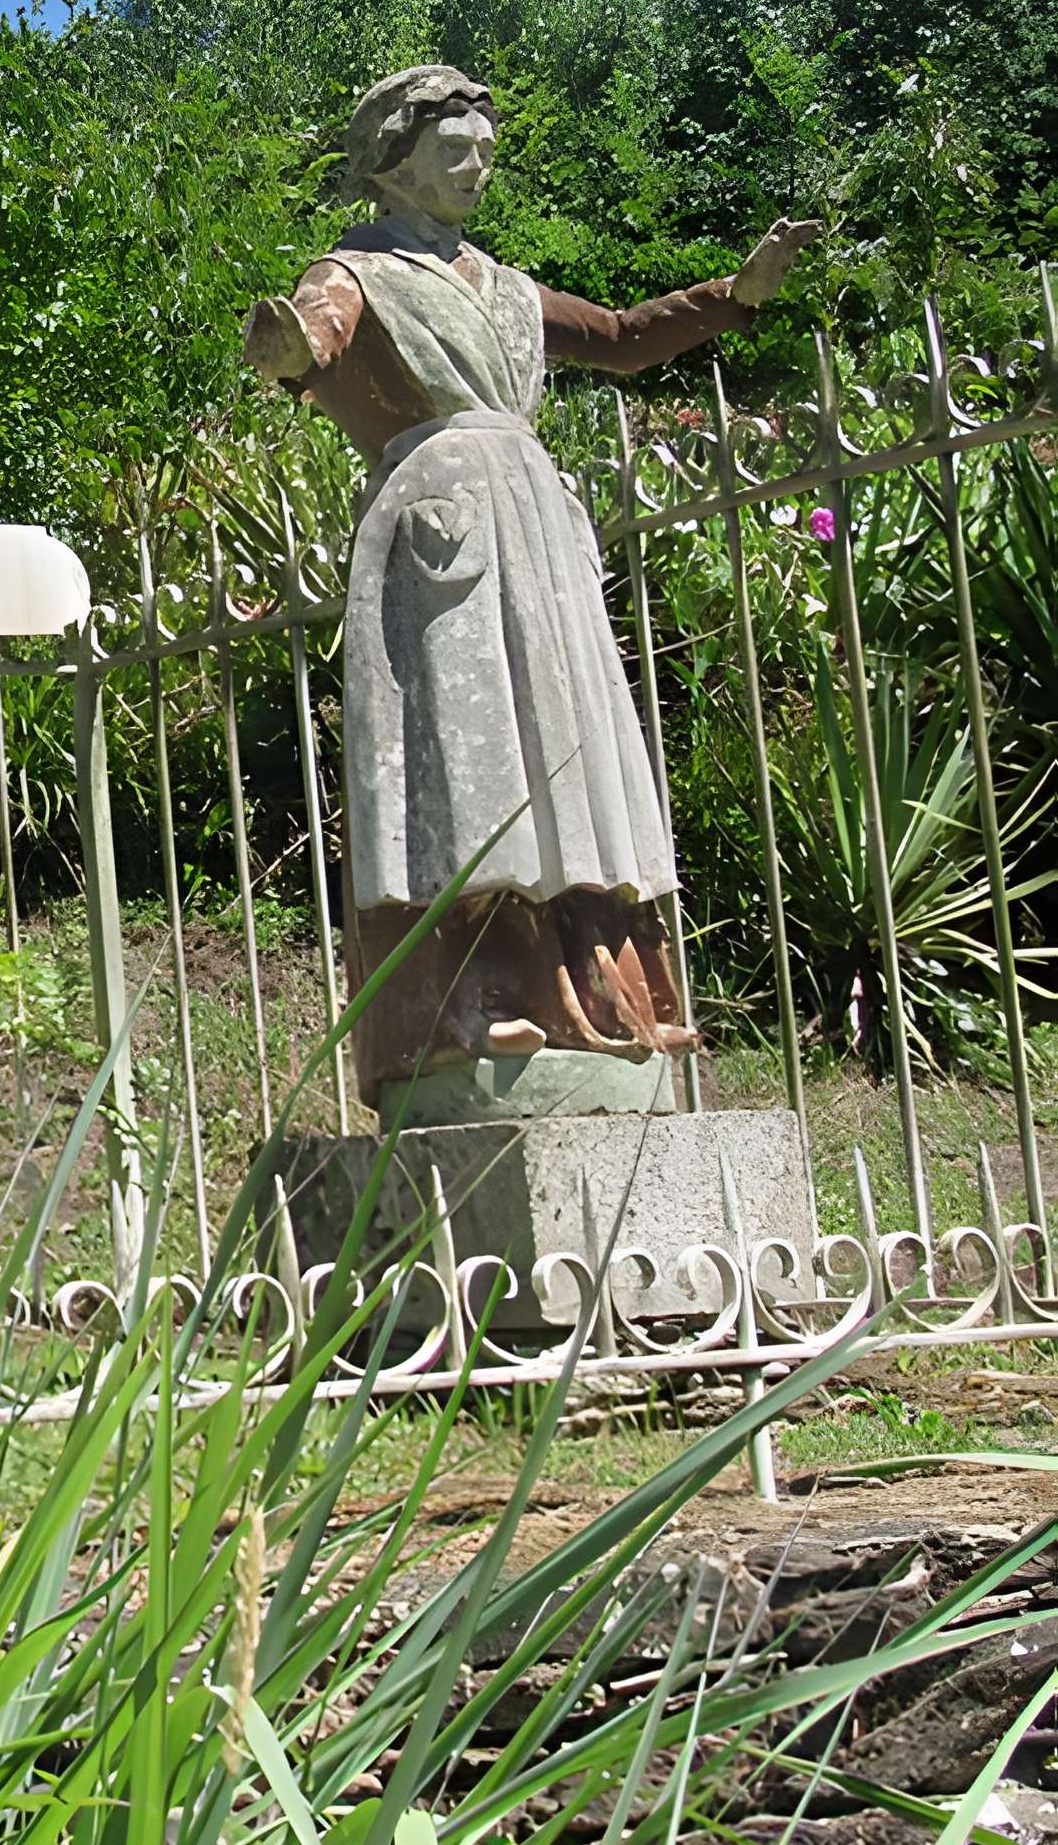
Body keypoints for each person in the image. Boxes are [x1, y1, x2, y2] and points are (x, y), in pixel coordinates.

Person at [243, 64, 818, 1103]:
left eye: (482, 152)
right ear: (392, 161)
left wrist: (734, 298)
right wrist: (287, 348)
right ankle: (464, 1007)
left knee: (563, 769)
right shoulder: (354, 274)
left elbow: (619, 337)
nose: (473, 168)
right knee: (463, 774)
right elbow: (304, 339)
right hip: (438, 529)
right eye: (452, 150)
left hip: (536, 533)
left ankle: (593, 1002)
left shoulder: (504, 287)